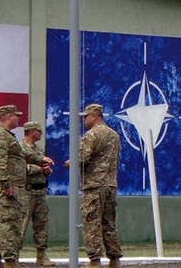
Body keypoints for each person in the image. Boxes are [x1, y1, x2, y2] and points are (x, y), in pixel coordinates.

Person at [65, 104, 123, 268]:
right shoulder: (114, 135)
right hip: (110, 185)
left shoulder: (91, 135)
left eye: (85, 117)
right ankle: (114, 259)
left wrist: (70, 163)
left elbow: (82, 158)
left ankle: (95, 260)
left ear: (94, 116)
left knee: (91, 223)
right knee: (109, 223)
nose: (83, 120)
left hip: (94, 186)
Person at [0, 105, 26, 268]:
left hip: (2, 186)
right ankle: (10, 261)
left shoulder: (3, 135)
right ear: (9, 116)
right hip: (7, 188)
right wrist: (6, 185)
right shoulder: (1, 135)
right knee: (9, 222)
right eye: (17, 116)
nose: (19, 118)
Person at [19, 121, 55, 266]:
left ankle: (41, 255)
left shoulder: (39, 150)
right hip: (26, 192)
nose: (41, 133)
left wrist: (46, 170)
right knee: (21, 225)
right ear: (32, 132)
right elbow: (18, 168)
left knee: (42, 225)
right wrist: (36, 168)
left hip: (40, 191)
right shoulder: (19, 149)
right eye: (39, 131)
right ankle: (14, 256)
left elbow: (45, 167)